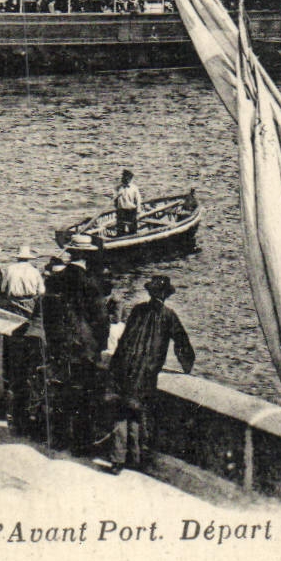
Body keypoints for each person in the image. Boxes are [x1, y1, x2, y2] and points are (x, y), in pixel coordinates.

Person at [102, 275, 196, 473]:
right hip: (146, 372)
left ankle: (117, 459)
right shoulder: (169, 315)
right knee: (136, 411)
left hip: (124, 366)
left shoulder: (137, 310)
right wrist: (187, 366)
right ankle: (135, 458)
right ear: (166, 295)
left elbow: (126, 339)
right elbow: (182, 342)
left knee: (121, 411)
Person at [41, 252, 110, 453]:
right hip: (84, 348)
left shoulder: (55, 280)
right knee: (84, 395)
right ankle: (81, 444)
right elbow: (102, 319)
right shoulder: (90, 282)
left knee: (61, 391)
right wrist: (99, 345)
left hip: (60, 345)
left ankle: (59, 439)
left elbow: (48, 312)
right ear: (87, 257)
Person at [0, 244, 45, 316]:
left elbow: (3, 289)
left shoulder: (9, 269)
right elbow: (41, 291)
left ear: (17, 257)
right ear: (28, 258)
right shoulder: (35, 271)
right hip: (30, 303)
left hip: (13, 303)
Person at [113, 169, 143, 237]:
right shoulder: (118, 188)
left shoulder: (134, 188)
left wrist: (138, 212)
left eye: (126, 178)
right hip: (121, 211)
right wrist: (117, 208)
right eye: (123, 177)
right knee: (120, 229)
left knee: (132, 230)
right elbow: (114, 200)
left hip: (131, 211)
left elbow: (138, 201)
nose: (124, 179)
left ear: (130, 179)